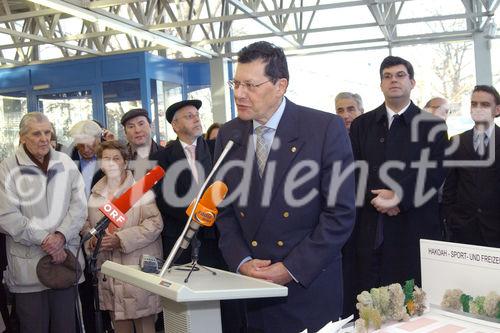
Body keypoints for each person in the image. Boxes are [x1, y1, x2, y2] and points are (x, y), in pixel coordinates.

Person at [213, 41, 356, 332]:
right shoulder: (229, 134)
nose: (239, 93)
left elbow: (339, 214)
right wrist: (241, 261)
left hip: (307, 285)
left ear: (280, 85)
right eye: (236, 83)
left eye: (251, 85)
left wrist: (291, 268)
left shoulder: (324, 128)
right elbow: (224, 210)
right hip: (251, 286)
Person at [349, 56, 448, 298]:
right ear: (381, 85)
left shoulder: (432, 125)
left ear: (412, 82)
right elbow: (352, 169)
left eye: (400, 75)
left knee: (411, 300)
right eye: (387, 76)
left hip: (413, 225)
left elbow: (434, 172)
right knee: (370, 300)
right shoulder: (362, 125)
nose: (393, 80)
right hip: (371, 224)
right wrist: (379, 200)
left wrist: (398, 198)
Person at [0, 112, 87, 333]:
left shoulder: (65, 162)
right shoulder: (7, 168)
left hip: (65, 262)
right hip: (28, 268)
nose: (44, 138)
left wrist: (61, 236)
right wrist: (46, 240)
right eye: (36, 133)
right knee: (33, 327)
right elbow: (7, 216)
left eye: (47, 132)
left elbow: (79, 206)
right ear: (22, 137)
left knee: (66, 326)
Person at [82, 140, 163, 333]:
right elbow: (86, 224)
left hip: (137, 269)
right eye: (106, 158)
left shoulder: (140, 190)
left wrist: (121, 239)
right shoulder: (95, 194)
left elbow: (155, 223)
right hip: (109, 272)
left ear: (125, 162)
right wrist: (92, 239)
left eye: (116, 158)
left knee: (145, 326)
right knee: (119, 326)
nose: (110, 163)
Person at [152, 100, 225, 268]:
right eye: (189, 116)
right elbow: (163, 198)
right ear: (175, 126)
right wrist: (195, 214)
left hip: (213, 236)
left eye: (197, 115)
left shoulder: (216, 150)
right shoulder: (160, 158)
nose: (196, 119)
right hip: (179, 236)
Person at [443, 85, 500, 247]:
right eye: (474, 104)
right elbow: (450, 187)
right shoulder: (456, 141)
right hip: (463, 230)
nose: (478, 108)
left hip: (496, 230)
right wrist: (451, 217)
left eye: (485, 104)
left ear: (497, 110)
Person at [68, 120, 105, 198]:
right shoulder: (67, 160)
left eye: (91, 145)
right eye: (81, 145)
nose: (86, 150)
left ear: (99, 140)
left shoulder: (109, 157)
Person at [120, 109, 159, 178]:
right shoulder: (119, 158)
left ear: (151, 126)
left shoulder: (167, 156)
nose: (137, 130)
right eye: (131, 126)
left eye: (141, 124)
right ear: (125, 133)